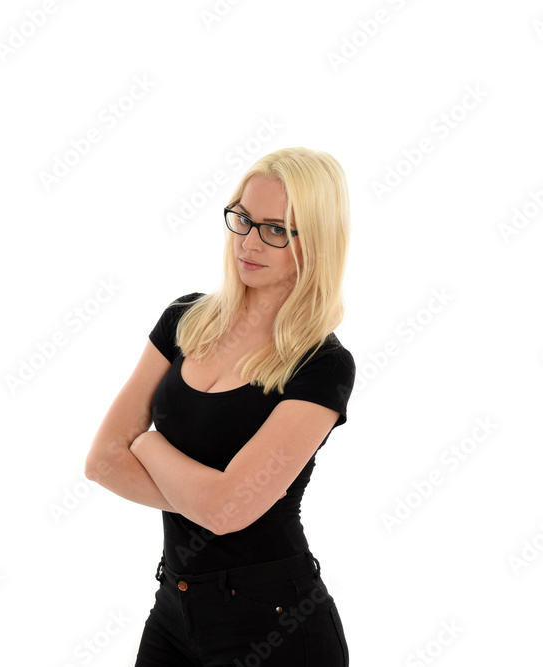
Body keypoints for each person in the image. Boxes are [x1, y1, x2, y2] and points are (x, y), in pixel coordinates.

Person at [84, 147, 355, 666]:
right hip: (174, 606)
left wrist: (145, 442)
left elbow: (229, 510)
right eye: (243, 220)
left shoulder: (322, 365)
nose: (249, 243)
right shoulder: (184, 320)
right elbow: (101, 462)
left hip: (276, 621)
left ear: (316, 240)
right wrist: (208, 497)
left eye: (276, 229)